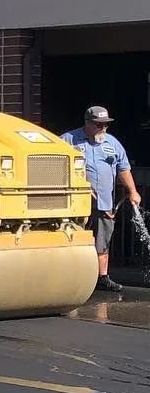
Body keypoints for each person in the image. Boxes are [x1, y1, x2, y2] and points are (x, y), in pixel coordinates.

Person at [61, 104, 141, 293]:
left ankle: (102, 278)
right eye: (98, 124)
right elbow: (55, 164)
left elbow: (123, 168)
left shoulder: (112, 143)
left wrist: (132, 191)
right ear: (87, 123)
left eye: (105, 125)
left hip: (104, 202)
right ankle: (75, 277)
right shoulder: (69, 140)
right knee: (75, 239)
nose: (103, 128)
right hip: (76, 203)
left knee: (102, 240)